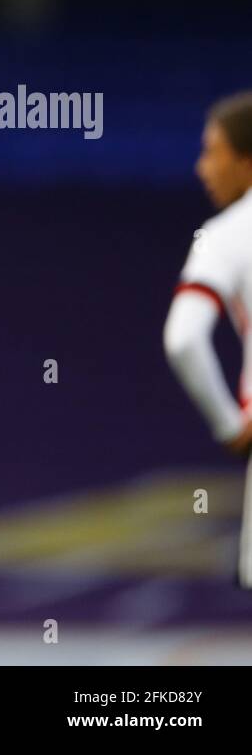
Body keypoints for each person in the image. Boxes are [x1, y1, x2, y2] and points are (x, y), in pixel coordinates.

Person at [164, 92, 252, 582]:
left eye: (212, 152)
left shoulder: (227, 234)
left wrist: (230, 427)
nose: (203, 168)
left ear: (246, 161)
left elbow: (183, 339)